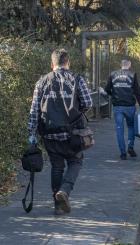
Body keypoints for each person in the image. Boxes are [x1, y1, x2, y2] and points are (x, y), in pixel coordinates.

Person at [28, 49, 92, 215]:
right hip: (73, 133)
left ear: (52, 64)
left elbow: (34, 110)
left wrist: (31, 133)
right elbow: (87, 102)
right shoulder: (77, 79)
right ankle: (64, 190)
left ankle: (57, 206)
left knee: (56, 167)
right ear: (67, 63)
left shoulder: (41, 81)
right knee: (76, 162)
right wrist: (77, 111)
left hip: (49, 134)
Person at [105, 59, 140, 160]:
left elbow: (107, 89)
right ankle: (130, 147)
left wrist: (113, 95)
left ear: (121, 65)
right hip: (130, 106)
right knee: (131, 127)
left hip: (117, 106)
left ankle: (123, 153)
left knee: (119, 129)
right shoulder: (132, 75)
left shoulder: (113, 74)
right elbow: (137, 91)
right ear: (129, 65)